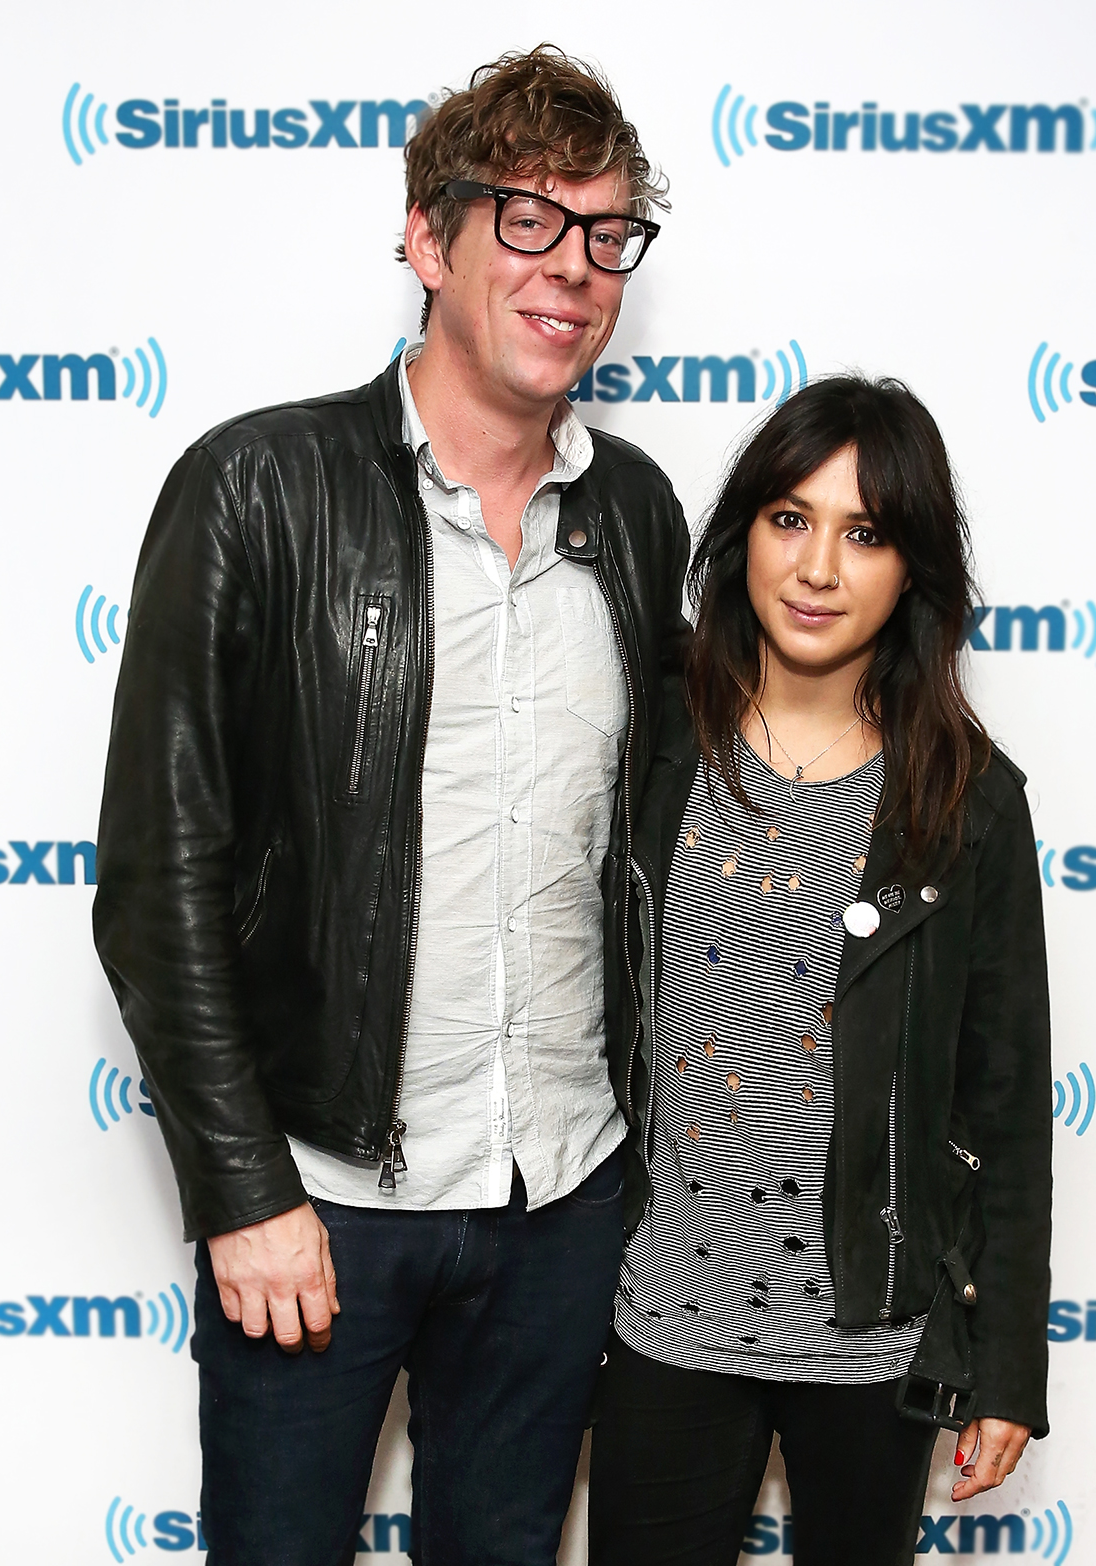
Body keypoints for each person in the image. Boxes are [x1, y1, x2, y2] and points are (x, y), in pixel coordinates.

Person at [91, 46, 688, 1566]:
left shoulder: (635, 513)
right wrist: (242, 1188)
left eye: (607, 232)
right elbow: (160, 877)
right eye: (529, 223)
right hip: (324, 1205)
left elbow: (654, 849)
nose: (576, 271)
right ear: (427, 238)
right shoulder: (252, 487)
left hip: (563, 1197)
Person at [587, 376, 1052, 1566]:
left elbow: (1003, 1105)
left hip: (872, 1334)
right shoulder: (649, 741)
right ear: (742, 531)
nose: (818, 568)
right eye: (790, 519)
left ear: (913, 572)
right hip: (662, 1315)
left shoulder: (967, 805)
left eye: (866, 534)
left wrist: (1002, 1365)